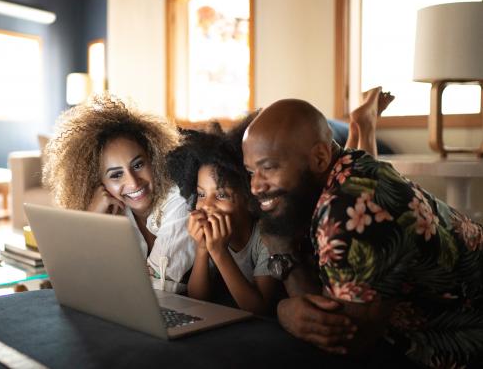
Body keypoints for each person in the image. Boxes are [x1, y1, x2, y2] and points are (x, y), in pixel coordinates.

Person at [241, 93, 483, 367]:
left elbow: (345, 339)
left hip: (463, 343)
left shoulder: (352, 212)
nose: (255, 186)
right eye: (251, 172)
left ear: (320, 157)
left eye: (268, 168)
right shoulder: (353, 164)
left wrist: (283, 304)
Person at [43, 93, 195, 293]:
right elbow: (70, 278)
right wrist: (90, 217)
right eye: (116, 175)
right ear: (99, 183)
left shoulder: (178, 199)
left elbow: (158, 290)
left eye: (138, 165)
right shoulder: (115, 211)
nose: (132, 182)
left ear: (154, 159)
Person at [167, 126, 278, 314]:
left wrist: (219, 252)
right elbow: (198, 299)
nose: (207, 205)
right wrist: (203, 249)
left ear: (249, 199)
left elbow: (260, 309)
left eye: (221, 195)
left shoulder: (266, 236)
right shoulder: (212, 234)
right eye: (201, 194)